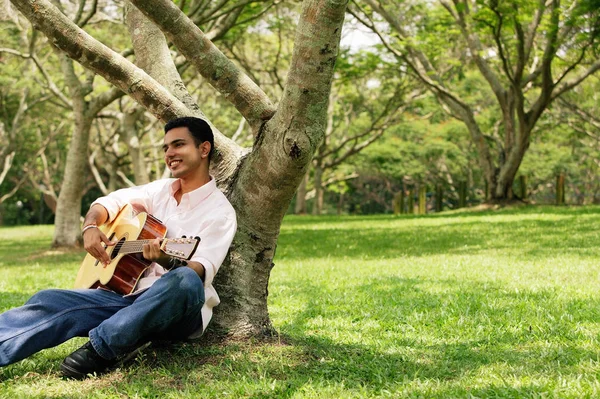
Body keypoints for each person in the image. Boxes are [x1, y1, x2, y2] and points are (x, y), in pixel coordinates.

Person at [0, 117, 237, 379]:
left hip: (172, 309)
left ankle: (101, 349)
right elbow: (110, 202)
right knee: (50, 300)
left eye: (178, 145)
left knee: (184, 280)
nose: (170, 153)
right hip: (122, 297)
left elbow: (200, 270)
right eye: (166, 148)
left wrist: (168, 260)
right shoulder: (158, 191)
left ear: (204, 149)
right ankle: (126, 333)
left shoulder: (220, 212)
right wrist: (90, 227)